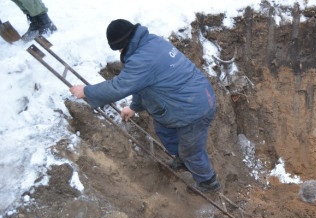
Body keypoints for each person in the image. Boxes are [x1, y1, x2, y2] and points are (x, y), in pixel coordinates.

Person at [69, 19, 220, 193]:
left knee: (191, 150)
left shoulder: (143, 59)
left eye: (118, 48)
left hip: (194, 110)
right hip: (188, 99)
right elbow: (144, 84)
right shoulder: (151, 42)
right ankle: (183, 160)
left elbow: (119, 86)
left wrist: (87, 92)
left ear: (123, 43)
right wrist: (134, 107)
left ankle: (208, 182)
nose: (119, 51)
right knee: (163, 126)